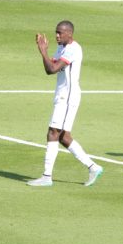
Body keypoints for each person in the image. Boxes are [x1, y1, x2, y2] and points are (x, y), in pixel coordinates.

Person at [27, 21, 104, 187]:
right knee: (63, 136)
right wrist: (45, 54)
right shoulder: (62, 47)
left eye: (60, 33)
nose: (57, 35)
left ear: (69, 33)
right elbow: (50, 68)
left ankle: (47, 176)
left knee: (53, 132)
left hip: (67, 97)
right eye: (56, 32)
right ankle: (93, 167)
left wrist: (43, 51)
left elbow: (53, 69)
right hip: (62, 96)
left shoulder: (73, 49)